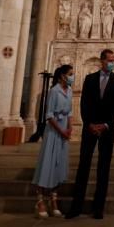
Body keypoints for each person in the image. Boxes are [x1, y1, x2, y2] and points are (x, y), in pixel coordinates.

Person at [66, 49, 114, 220]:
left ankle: (98, 208)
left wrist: (106, 125)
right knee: (83, 166)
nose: (112, 63)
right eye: (110, 60)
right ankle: (76, 207)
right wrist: (89, 123)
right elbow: (84, 103)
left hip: (107, 129)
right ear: (102, 61)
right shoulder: (90, 79)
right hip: (90, 127)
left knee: (103, 168)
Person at [32, 64, 74, 219]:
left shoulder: (69, 91)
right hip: (53, 131)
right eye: (70, 74)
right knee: (47, 164)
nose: (72, 77)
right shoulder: (54, 91)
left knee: (59, 165)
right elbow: (49, 115)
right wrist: (61, 130)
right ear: (62, 76)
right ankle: (40, 200)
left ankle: (53, 200)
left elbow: (70, 111)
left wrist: (69, 128)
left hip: (64, 131)